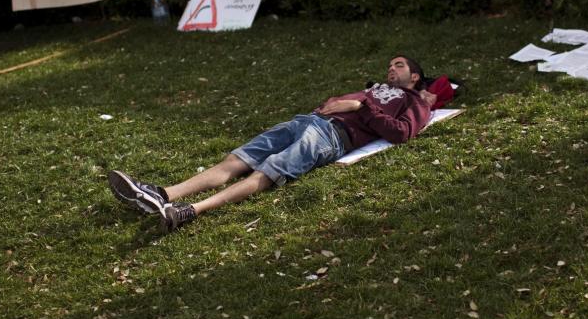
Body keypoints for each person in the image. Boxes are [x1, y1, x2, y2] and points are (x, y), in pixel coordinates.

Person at [108, 56, 433, 233]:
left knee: (266, 172)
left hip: (330, 137)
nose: (391, 69)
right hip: (306, 121)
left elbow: (401, 133)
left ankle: (188, 211)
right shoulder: (373, 88)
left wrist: (361, 107)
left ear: (415, 76)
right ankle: (160, 194)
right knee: (236, 160)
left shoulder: (414, 101)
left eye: (399, 65)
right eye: (389, 65)